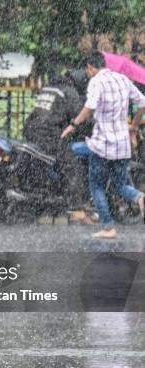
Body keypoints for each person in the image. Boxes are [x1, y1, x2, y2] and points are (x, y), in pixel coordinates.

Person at [61, 51, 145, 238]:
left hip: (102, 144)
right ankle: (139, 196)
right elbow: (143, 103)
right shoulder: (123, 79)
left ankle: (108, 227)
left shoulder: (96, 82)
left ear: (91, 68)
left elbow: (89, 107)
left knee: (96, 186)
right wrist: (134, 126)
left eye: (87, 70)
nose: (87, 73)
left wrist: (73, 126)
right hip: (123, 144)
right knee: (119, 184)